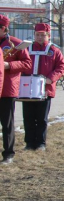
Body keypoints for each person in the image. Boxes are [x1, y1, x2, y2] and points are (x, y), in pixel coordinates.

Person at [21, 23, 64, 152]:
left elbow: (61, 67)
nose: (40, 37)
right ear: (34, 35)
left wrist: (50, 78)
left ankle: (41, 143)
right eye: (37, 35)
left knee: (42, 118)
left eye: (43, 35)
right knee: (28, 117)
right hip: (27, 88)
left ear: (48, 36)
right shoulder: (27, 49)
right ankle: (29, 143)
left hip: (45, 89)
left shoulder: (54, 51)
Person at [0, 15, 32, 164]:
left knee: (7, 122)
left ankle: (8, 154)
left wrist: (9, 66)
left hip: (7, 88)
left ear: (4, 28)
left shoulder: (16, 44)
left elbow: (27, 64)